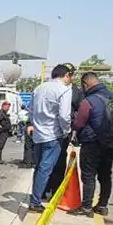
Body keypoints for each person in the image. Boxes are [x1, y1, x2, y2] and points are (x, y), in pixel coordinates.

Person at [68, 72, 113, 217]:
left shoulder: (89, 100)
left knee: (88, 175)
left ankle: (86, 208)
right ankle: (102, 206)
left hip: (92, 143)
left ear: (86, 84)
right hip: (109, 142)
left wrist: (73, 125)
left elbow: (79, 123)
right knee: (105, 175)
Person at [26, 64, 74, 212]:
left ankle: (36, 197)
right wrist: (66, 131)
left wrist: (35, 125)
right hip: (53, 135)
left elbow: (31, 110)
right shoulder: (64, 90)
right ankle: (35, 202)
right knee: (45, 169)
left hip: (39, 135)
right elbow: (64, 116)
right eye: (70, 76)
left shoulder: (39, 88)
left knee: (39, 168)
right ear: (66, 75)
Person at [44, 63, 84, 201]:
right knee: (45, 162)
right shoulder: (49, 87)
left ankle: (55, 191)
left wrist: (72, 131)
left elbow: (80, 111)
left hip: (62, 131)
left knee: (59, 160)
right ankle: (44, 189)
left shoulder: (75, 91)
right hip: (50, 129)